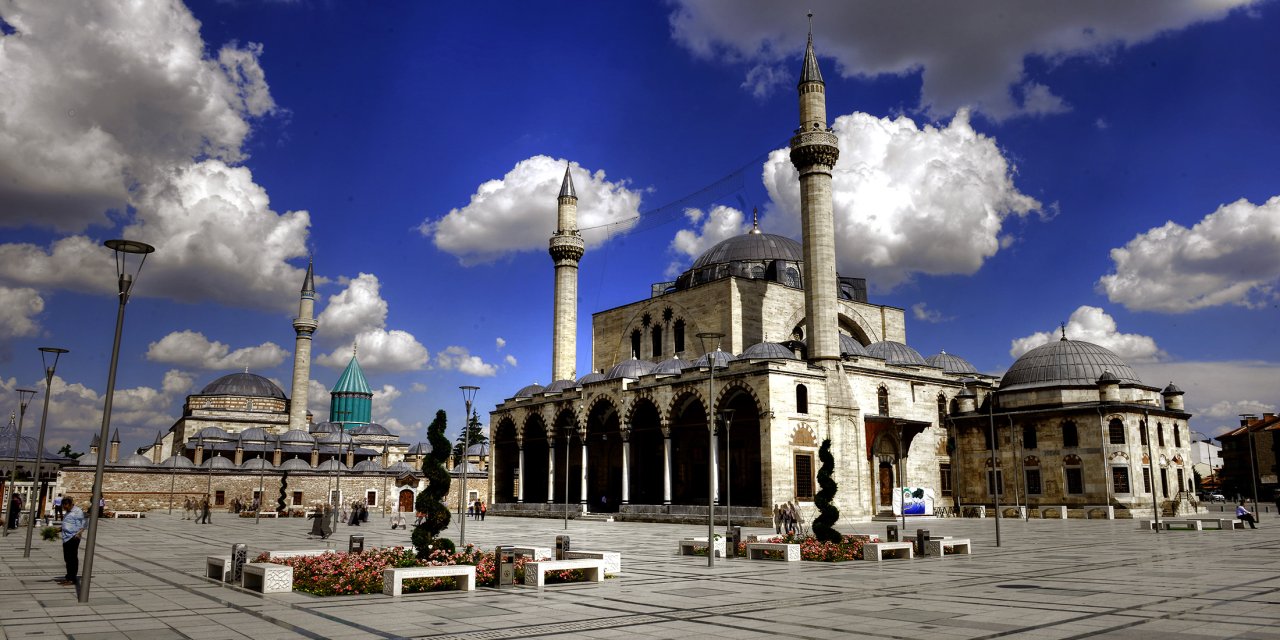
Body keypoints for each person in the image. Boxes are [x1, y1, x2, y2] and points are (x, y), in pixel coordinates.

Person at [58, 497, 85, 586]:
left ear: (70, 504)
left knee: (72, 559)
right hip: (66, 537)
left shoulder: (77, 512)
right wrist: (58, 529)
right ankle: (68, 576)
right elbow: (68, 524)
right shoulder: (68, 512)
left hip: (73, 538)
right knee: (67, 558)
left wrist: (77, 535)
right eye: (63, 506)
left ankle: (72, 578)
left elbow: (82, 526)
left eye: (66, 506)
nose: (64, 508)